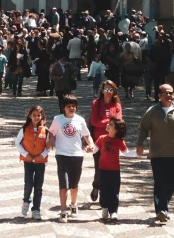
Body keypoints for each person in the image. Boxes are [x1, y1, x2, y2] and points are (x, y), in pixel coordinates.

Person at [136, 83, 174, 223]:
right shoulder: (152, 111)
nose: (168, 95)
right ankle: (161, 210)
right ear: (159, 96)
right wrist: (140, 143)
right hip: (156, 154)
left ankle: (164, 206)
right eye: (165, 93)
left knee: (170, 184)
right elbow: (143, 128)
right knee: (159, 182)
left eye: (171, 93)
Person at [47, 95, 95, 223]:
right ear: (64, 107)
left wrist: (91, 145)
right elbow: (51, 132)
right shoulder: (58, 119)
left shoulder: (80, 120)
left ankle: (73, 204)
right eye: (69, 106)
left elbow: (87, 135)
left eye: (74, 106)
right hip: (62, 155)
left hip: (77, 155)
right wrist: (51, 139)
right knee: (64, 184)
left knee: (74, 185)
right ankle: (63, 211)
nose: (72, 108)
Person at [89, 80, 123, 202]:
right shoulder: (96, 103)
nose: (108, 92)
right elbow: (94, 121)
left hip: (112, 141)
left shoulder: (116, 105)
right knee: (99, 166)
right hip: (98, 140)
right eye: (106, 89)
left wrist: (104, 121)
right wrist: (109, 122)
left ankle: (105, 192)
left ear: (114, 91)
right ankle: (96, 186)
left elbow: (118, 122)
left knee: (110, 168)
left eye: (111, 89)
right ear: (102, 90)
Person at [15, 105, 49, 221]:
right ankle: (26, 201)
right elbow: (17, 143)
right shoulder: (24, 129)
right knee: (29, 184)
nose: (36, 117)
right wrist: (26, 154)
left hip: (40, 162)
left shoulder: (45, 130)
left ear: (42, 116)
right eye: (34, 115)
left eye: (38, 115)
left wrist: (42, 156)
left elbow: (48, 146)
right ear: (30, 116)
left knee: (38, 186)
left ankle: (36, 209)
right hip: (28, 161)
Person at [95, 117, 128, 221]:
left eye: (111, 125)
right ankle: (104, 208)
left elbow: (126, 152)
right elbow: (95, 149)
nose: (108, 125)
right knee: (104, 189)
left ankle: (113, 211)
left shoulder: (119, 141)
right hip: (103, 169)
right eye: (108, 123)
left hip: (115, 170)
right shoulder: (101, 138)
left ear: (117, 129)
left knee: (114, 191)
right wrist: (89, 149)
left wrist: (138, 153)